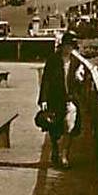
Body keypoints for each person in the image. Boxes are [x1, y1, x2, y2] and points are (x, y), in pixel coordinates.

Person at [37, 32, 83, 168]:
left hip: (70, 99)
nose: (69, 49)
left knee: (70, 126)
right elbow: (46, 80)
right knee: (54, 128)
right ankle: (55, 149)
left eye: (71, 46)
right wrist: (43, 99)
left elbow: (80, 83)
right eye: (67, 46)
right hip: (55, 99)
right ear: (62, 46)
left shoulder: (76, 62)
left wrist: (79, 79)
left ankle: (64, 155)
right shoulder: (53, 60)